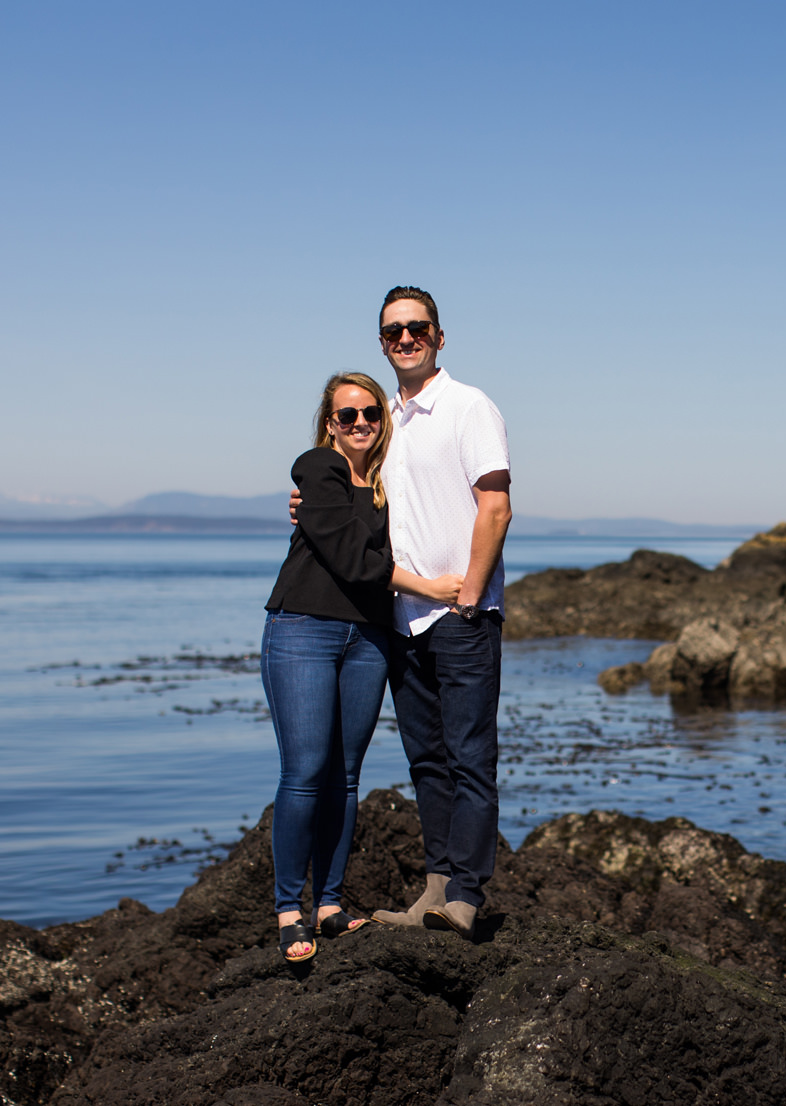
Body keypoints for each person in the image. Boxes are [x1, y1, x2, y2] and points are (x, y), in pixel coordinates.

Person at [262, 371, 463, 963]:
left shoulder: (383, 485)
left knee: (346, 776)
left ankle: (327, 903)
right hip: (303, 627)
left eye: (370, 415)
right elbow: (352, 560)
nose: (359, 425)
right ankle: (287, 910)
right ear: (329, 423)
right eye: (346, 415)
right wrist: (428, 586)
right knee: (304, 772)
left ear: (383, 422)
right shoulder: (317, 468)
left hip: (369, 638)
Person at [368, 286, 512, 940]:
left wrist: (471, 596)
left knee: (469, 755)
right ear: (382, 342)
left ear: (439, 336)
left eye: (416, 327)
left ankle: (466, 896)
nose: (406, 338)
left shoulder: (468, 406)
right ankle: (435, 890)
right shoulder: (385, 423)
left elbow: (496, 505)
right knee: (426, 759)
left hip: (461, 620)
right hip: (402, 621)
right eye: (394, 331)